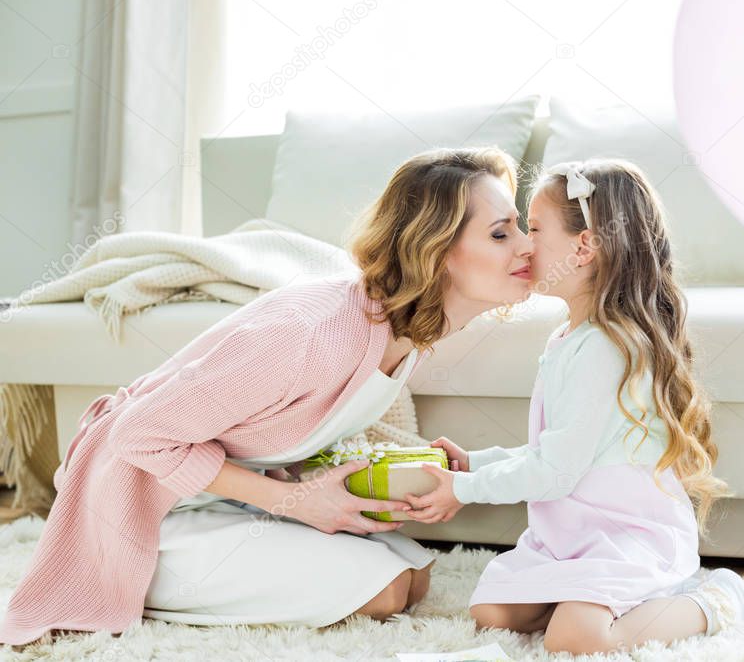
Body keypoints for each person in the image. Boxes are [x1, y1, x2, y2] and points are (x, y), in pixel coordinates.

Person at [0, 147, 535, 646]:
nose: (527, 246)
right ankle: (130, 579)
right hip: (144, 505)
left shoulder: (407, 330)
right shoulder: (308, 333)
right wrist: (296, 504)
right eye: (500, 234)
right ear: (437, 252)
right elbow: (137, 434)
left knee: (415, 576)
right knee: (386, 592)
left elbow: (297, 427)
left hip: (223, 496)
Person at [408, 159, 744, 655]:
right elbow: (555, 450)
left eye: (536, 229)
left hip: (626, 536)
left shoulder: (606, 347)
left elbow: (555, 472)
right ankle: (588, 596)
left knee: (577, 640)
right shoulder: (568, 337)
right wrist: (477, 462)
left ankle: (718, 597)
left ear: (584, 247)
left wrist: (466, 488)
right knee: (493, 614)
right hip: (575, 535)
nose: (524, 243)